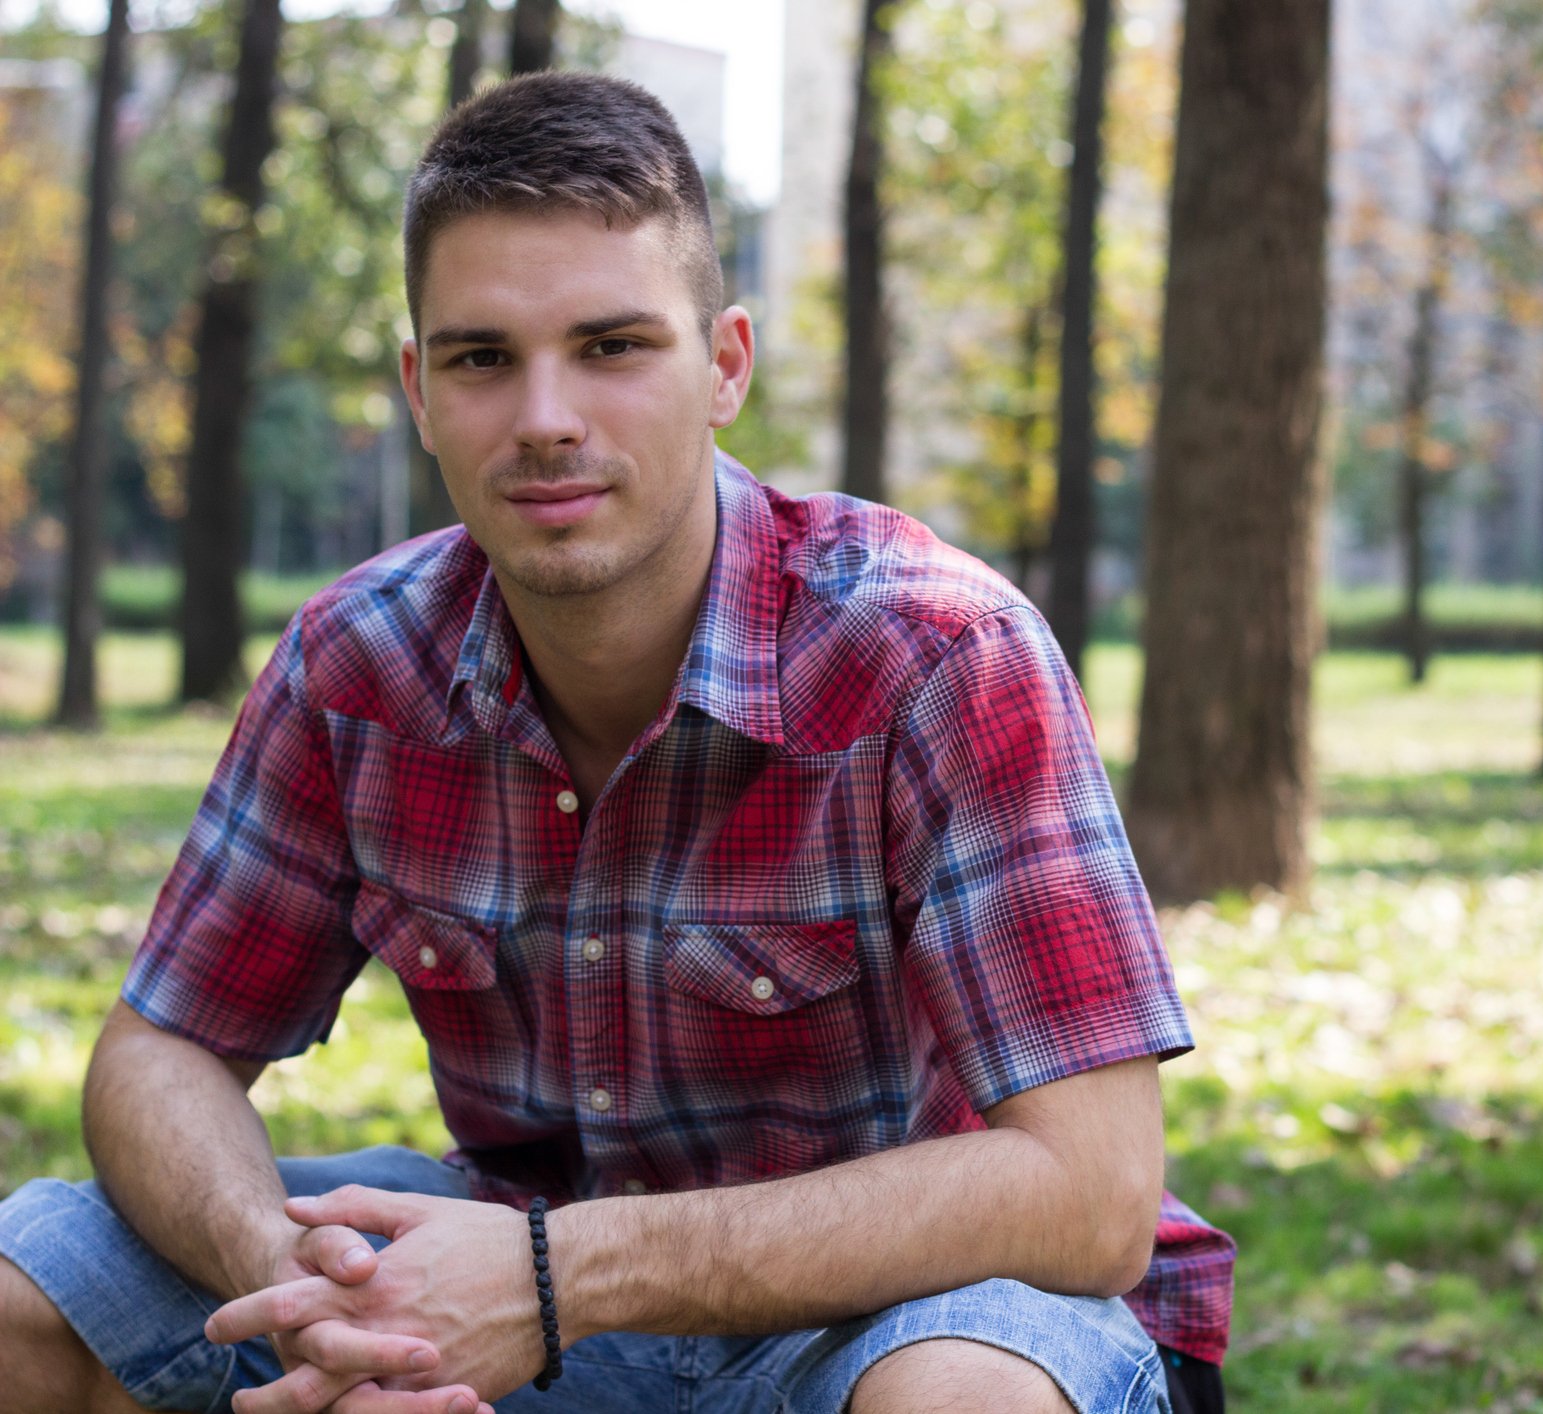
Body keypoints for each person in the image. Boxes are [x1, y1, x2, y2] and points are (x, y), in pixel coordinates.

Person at [0, 73, 1232, 1414]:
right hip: (521, 1297)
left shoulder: (937, 654)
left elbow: (1090, 1190)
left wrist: (551, 1276)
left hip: (912, 1306)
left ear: (725, 365)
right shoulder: (356, 663)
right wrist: (309, 1298)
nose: (545, 419)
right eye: (482, 357)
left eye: (612, 345)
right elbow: (158, 1051)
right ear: (419, 388)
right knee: (22, 1298)